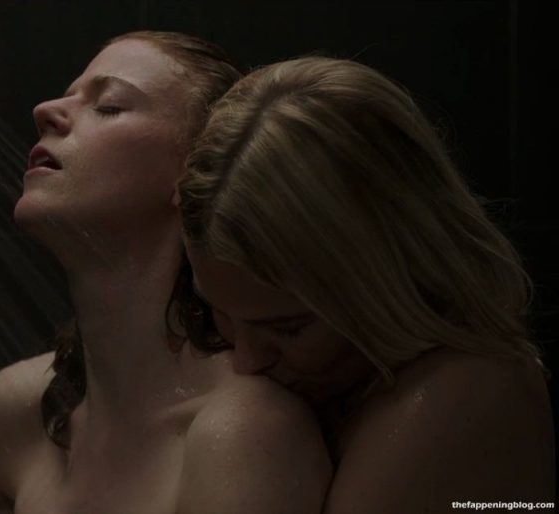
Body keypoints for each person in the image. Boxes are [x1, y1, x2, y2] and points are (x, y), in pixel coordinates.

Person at [0, 32, 331, 514]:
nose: (45, 110)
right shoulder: (23, 410)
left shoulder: (242, 432)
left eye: (108, 105)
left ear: (201, 175)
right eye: (69, 95)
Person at [178, 56, 556, 512]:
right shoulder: (358, 392)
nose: (245, 361)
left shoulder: (462, 392)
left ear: (390, 275)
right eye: (220, 313)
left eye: (287, 329)